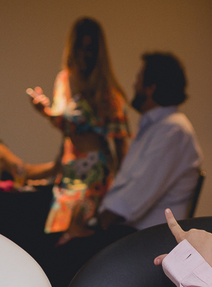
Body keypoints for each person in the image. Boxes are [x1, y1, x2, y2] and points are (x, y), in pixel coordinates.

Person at [44, 51, 202, 287]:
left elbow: (130, 203)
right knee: (52, 243)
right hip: (128, 232)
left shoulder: (173, 130)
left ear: (151, 87)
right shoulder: (157, 126)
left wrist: (91, 227)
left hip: (144, 241)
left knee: (57, 257)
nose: (133, 84)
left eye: (139, 77)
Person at [27, 17, 130, 237]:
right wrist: (44, 111)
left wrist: (123, 192)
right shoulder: (64, 80)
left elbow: (121, 144)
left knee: (76, 237)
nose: (85, 54)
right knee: (56, 235)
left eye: (90, 48)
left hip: (94, 172)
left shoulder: (107, 91)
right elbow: (67, 128)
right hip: (68, 169)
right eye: (80, 47)